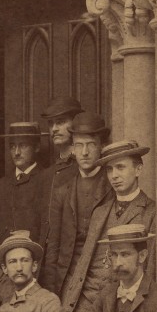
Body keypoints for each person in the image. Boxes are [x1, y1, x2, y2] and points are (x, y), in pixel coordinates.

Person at [57, 139, 156, 312]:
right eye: (110, 169)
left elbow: (150, 268)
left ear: (138, 170)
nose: (114, 176)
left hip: (124, 301)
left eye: (120, 168)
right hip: (86, 302)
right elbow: (84, 262)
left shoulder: (151, 212)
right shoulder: (99, 212)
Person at [43, 112, 112, 294]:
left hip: (102, 282)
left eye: (91, 145)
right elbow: (54, 247)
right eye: (79, 145)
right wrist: (52, 292)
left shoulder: (112, 188)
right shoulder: (62, 192)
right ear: (72, 148)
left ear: (102, 147)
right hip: (68, 280)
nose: (85, 152)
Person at [0, 122, 50, 255]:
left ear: (37, 147)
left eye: (23, 145)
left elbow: (54, 227)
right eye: (12, 146)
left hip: (36, 259)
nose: (16, 152)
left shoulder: (48, 179)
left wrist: (32, 235)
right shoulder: (1, 185)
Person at [38, 96, 83, 231]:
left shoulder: (85, 168)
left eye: (60, 122)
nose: (54, 129)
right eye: (51, 123)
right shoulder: (47, 175)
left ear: (75, 124)